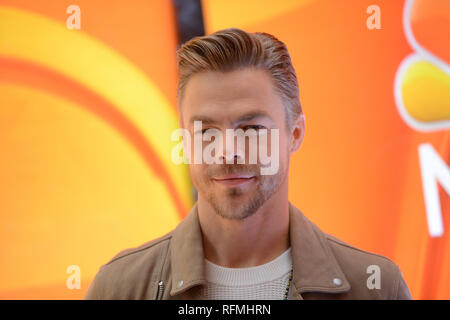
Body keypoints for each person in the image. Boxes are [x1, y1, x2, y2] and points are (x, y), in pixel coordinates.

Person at [85, 28, 412, 300]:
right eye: (206, 131)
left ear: (294, 133)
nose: (227, 152)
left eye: (252, 129)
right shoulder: (119, 289)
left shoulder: (377, 288)